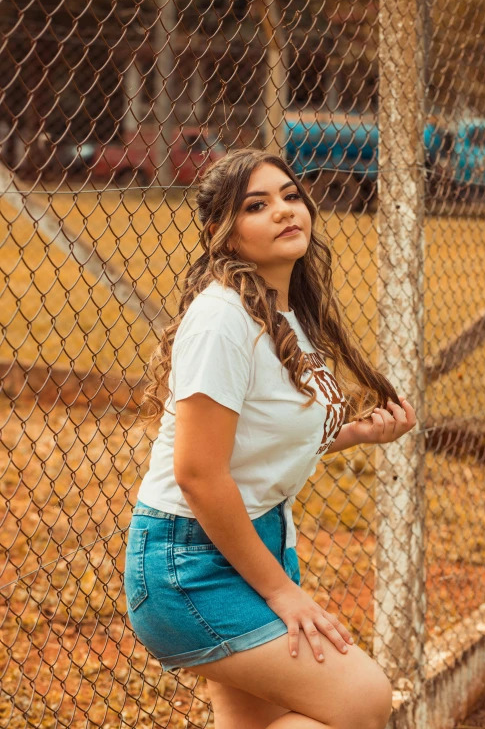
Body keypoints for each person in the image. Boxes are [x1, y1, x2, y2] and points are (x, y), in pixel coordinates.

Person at [124, 148, 417, 729]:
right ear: (222, 234)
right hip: (189, 561)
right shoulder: (221, 321)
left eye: (290, 196)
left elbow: (257, 438)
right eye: (257, 205)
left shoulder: (283, 316)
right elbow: (200, 475)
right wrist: (284, 593)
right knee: (360, 699)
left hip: (253, 539)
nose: (285, 211)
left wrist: (353, 434)